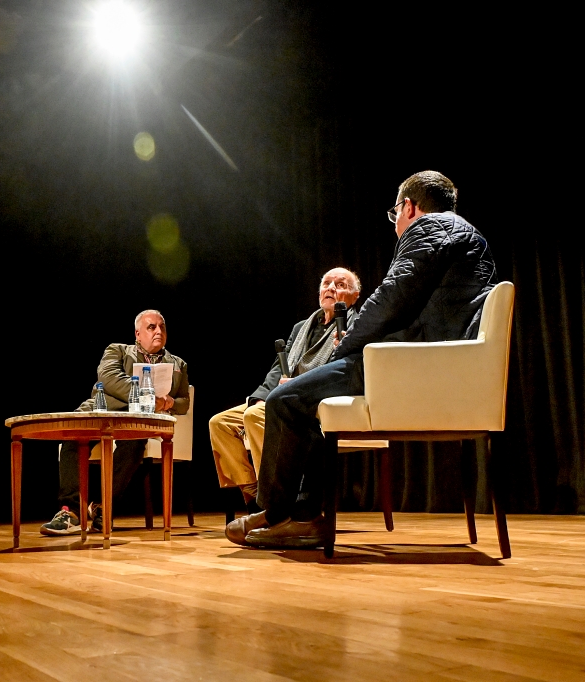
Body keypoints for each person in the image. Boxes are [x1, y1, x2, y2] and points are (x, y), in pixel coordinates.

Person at [226, 170, 499, 548]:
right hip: (442, 365)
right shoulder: (472, 238)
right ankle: (303, 515)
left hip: (408, 364)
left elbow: (390, 298)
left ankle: (278, 514)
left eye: (396, 215)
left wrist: (345, 348)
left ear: (408, 207)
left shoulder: (429, 229)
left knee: (285, 400)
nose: (396, 225)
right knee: (311, 399)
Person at [209, 268, 361, 514]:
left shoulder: (357, 325)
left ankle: (275, 501)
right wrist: (259, 398)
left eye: (341, 285)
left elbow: (347, 372)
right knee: (221, 423)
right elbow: (279, 368)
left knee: (255, 417)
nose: (331, 288)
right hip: (282, 394)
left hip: (313, 400)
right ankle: (254, 494)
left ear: (354, 297)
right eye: (327, 283)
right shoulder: (302, 326)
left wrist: (342, 347)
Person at [41, 310, 190, 535]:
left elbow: (184, 402)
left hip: (135, 421)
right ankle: (70, 511)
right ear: (138, 334)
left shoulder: (178, 364)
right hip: (102, 411)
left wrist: (169, 403)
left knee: (135, 445)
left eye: (162, 327)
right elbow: (108, 378)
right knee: (72, 437)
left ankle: (103, 508)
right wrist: (147, 395)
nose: (158, 331)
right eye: (152, 327)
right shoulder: (117, 350)